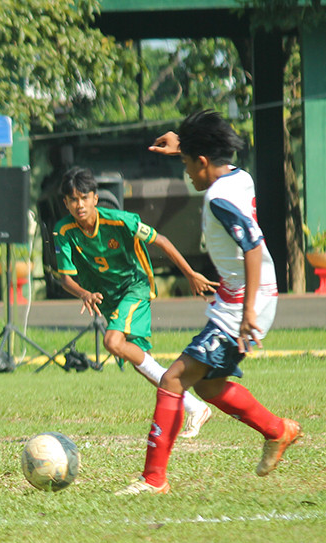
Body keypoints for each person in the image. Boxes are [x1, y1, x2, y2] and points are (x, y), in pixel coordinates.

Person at [116, 110, 303, 496]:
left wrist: (247, 313)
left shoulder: (219, 198)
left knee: (173, 379)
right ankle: (277, 430)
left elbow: (253, 246)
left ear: (202, 161)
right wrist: (184, 145)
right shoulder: (238, 176)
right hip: (243, 297)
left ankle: (154, 479)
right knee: (209, 385)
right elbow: (210, 166)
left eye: (187, 164)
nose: (186, 172)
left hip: (243, 304)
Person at [52, 166, 218, 438]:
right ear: (66, 203)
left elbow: (161, 241)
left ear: (95, 198)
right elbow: (65, 278)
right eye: (73, 200)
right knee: (141, 362)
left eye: (84, 198)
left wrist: (190, 274)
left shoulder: (121, 221)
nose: (79, 205)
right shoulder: (64, 230)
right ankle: (195, 408)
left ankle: (192, 406)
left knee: (112, 342)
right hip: (108, 296)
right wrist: (83, 293)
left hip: (135, 286)